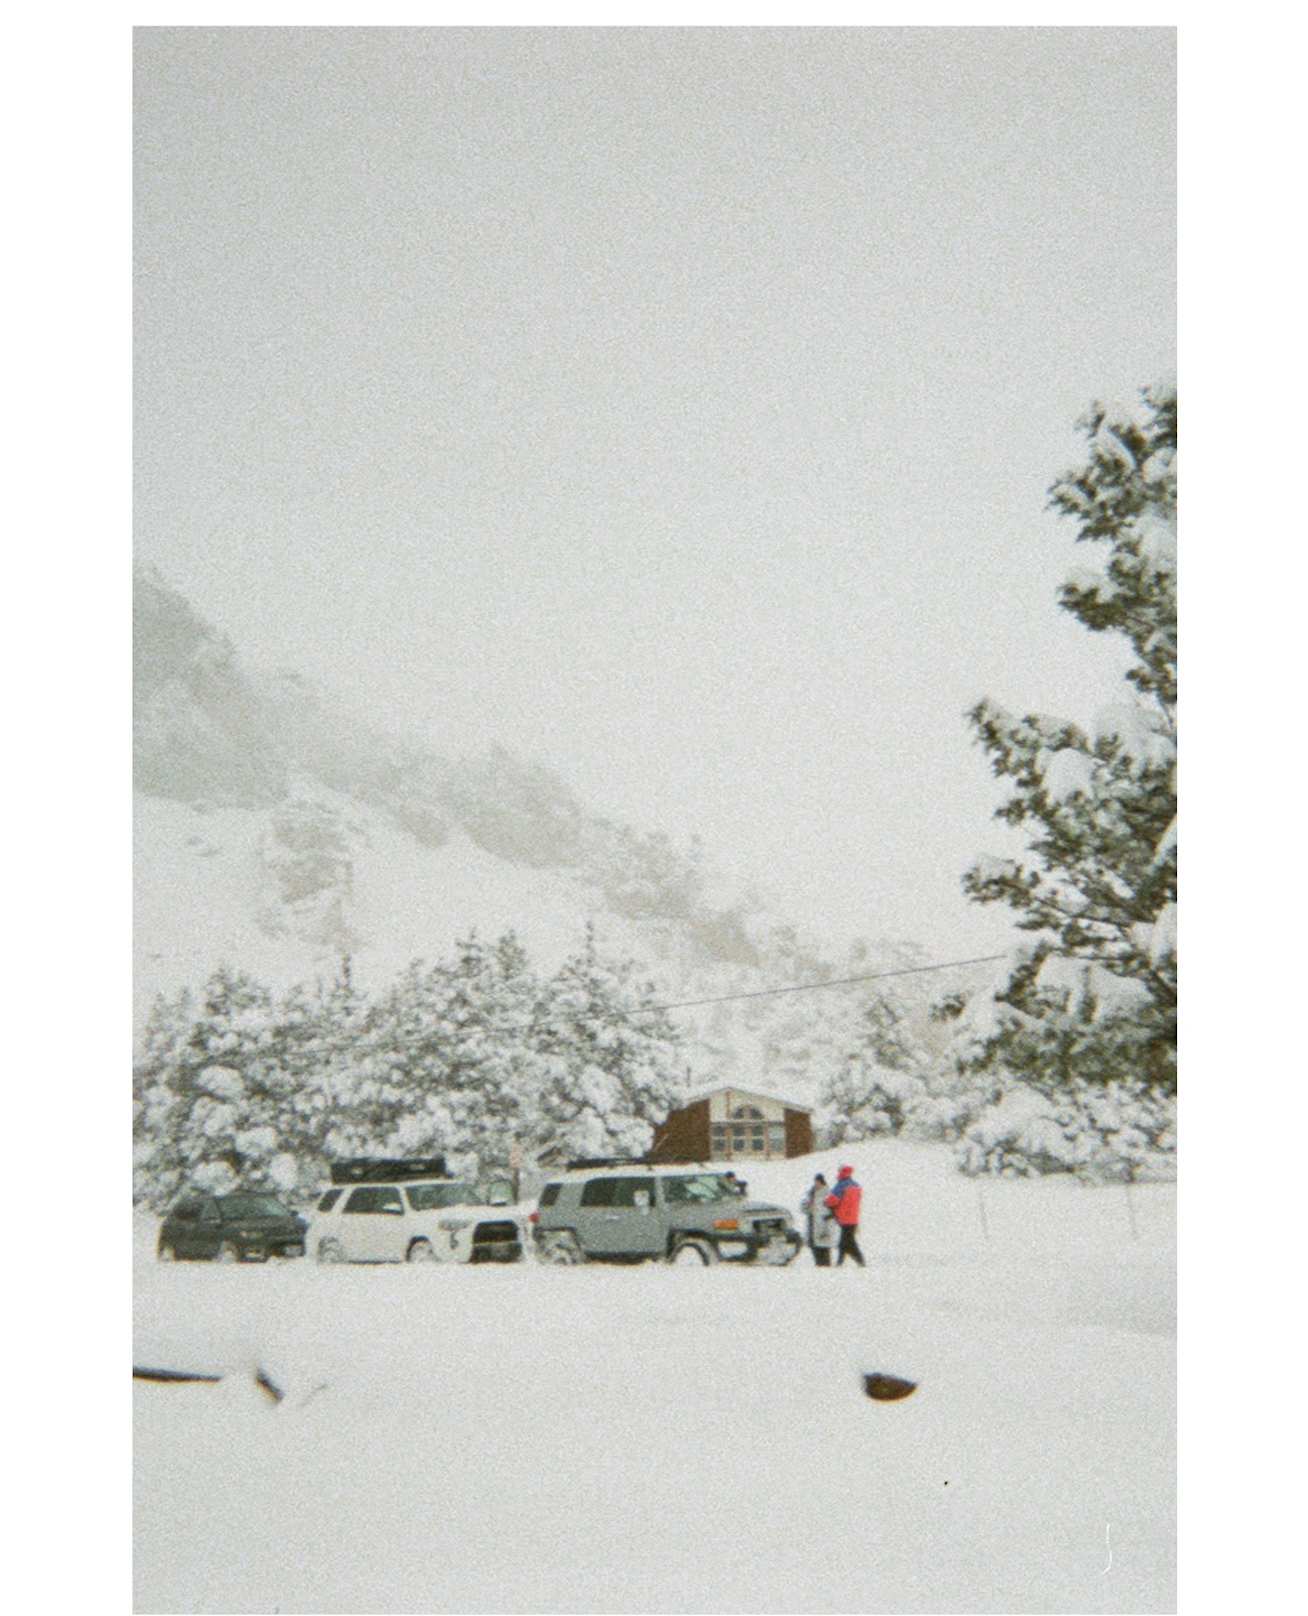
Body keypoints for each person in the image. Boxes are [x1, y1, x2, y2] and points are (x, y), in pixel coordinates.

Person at [824, 1164, 866, 1267]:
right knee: (847, 1240)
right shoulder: (856, 1186)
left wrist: (825, 1202)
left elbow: (832, 1200)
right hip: (853, 1218)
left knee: (848, 1241)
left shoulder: (841, 1185)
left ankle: (858, 1260)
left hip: (843, 1217)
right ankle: (842, 1261)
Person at [800, 1172, 838, 1267]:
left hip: (824, 1224)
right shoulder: (810, 1193)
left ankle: (826, 1266)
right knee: (814, 1247)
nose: (816, 1184)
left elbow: (834, 1210)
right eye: (815, 1182)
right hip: (812, 1223)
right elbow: (803, 1208)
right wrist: (806, 1206)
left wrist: (830, 1217)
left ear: (822, 1182)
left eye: (818, 1182)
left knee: (824, 1247)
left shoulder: (828, 1194)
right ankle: (819, 1266)